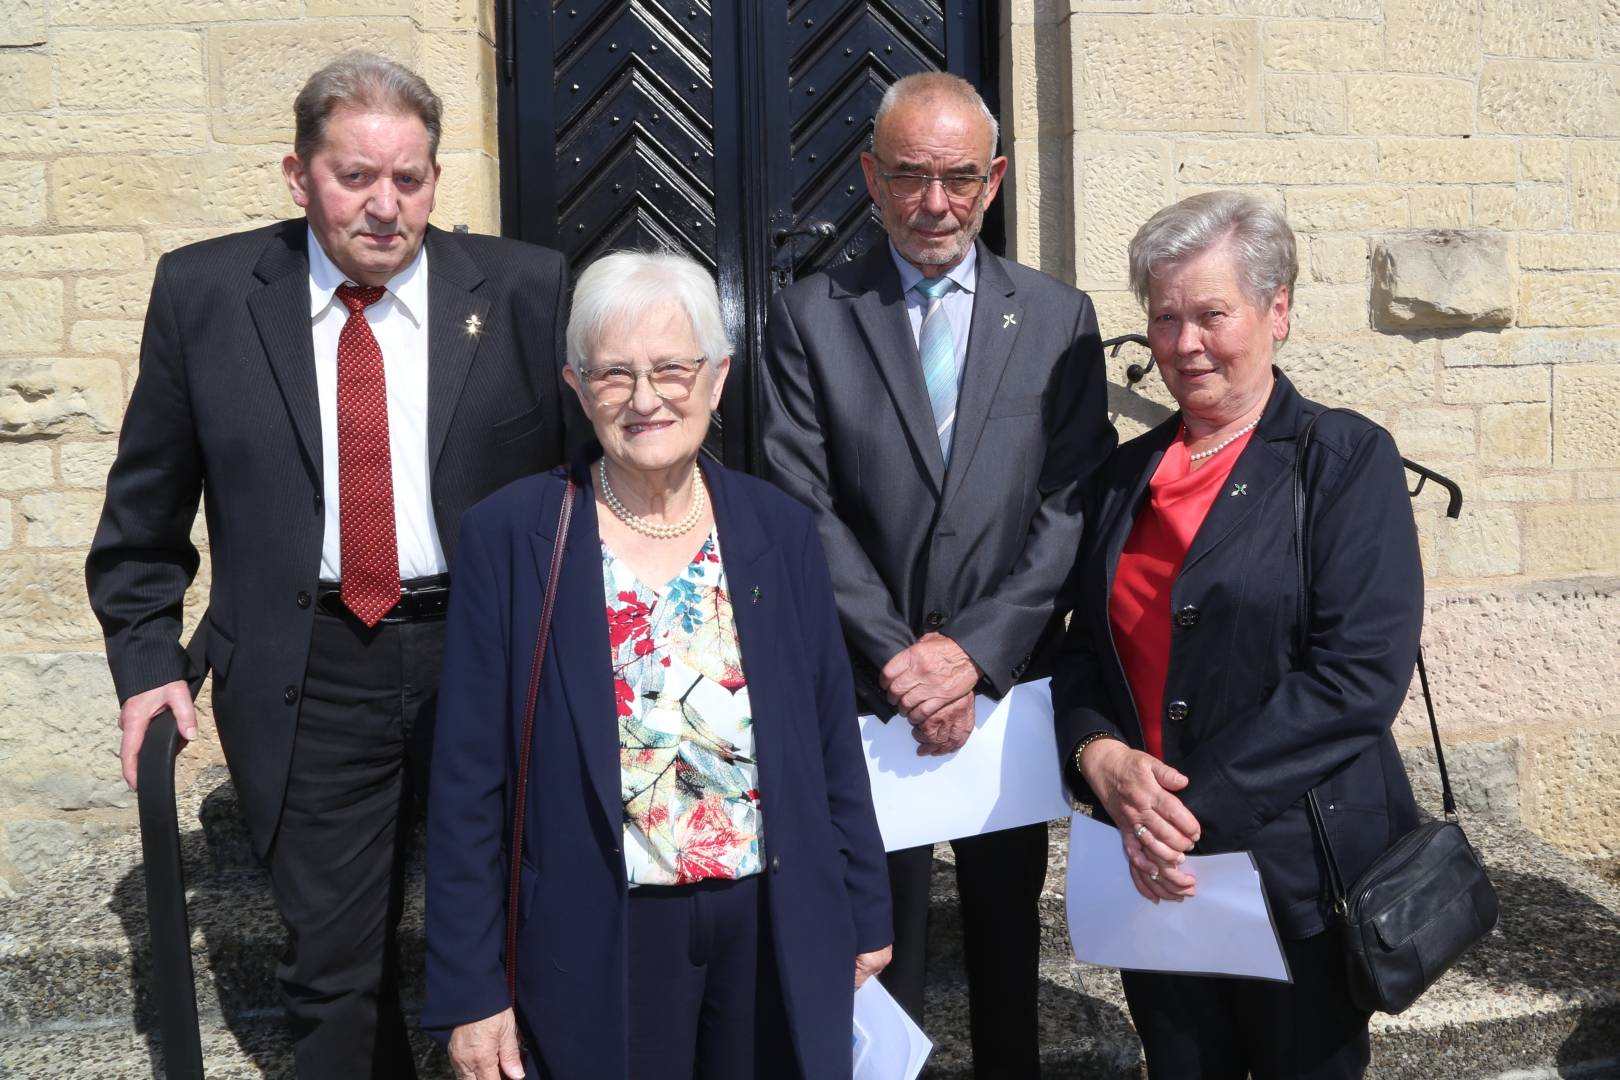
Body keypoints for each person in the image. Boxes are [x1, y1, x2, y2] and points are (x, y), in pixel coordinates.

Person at [85, 52, 574, 1078]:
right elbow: (144, 517)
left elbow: (592, 481)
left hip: (487, 658)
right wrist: (148, 666)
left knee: (526, 944)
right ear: (298, 175)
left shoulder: (528, 290)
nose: (386, 206)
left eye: (411, 178)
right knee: (334, 978)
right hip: (308, 669)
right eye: (357, 177)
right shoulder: (207, 295)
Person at [422, 249, 893, 1080]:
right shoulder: (511, 537)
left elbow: (828, 738)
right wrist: (469, 987)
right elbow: (467, 784)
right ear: (575, 386)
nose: (646, 399)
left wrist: (864, 907)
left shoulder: (777, 529)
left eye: (672, 369)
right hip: (599, 931)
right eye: (615, 375)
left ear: (716, 379)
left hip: (769, 918)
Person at [759, 72, 1115, 1077]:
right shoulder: (811, 314)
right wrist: (900, 660)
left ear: (994, 179)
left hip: (1006, 696)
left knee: (1008, 942)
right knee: (885, 950)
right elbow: (798, 503)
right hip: (870, 700)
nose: (934, 204)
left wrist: (972, 654)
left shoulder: (1057, 316)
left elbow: (1071, 505)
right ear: (871, 177)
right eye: (910, 176)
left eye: (959, 178)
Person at [1052, 189, 1425, 1079]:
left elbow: (1357, 678)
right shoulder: (1121, 479)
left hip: (1296, 873)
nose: (1185, 344)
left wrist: (1179, 817)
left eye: (1212, 314)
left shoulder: (1342, 460)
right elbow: (1077, 654)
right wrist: (1097, 758)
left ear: (1279, 311)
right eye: (1165, 318)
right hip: (1151, 881)